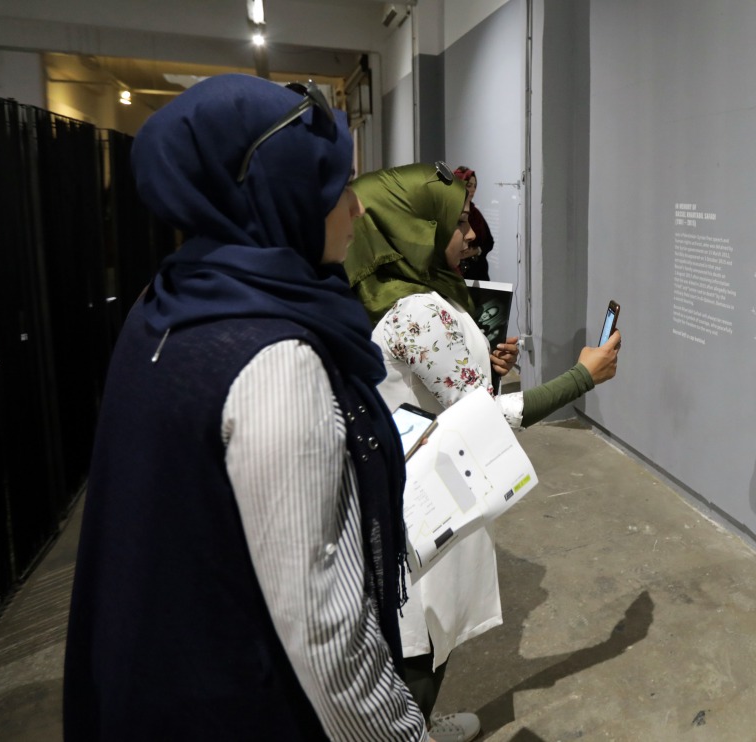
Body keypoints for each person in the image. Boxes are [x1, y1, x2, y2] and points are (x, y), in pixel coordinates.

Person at [63, 74, 429, 741]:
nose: (357, 209)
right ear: (278, 194)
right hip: (248, 704)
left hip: (158, 684)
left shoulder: (169, 299)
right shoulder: (276, 358)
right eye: (335, 187)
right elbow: (324, 631)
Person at [343, 162, 621, 742]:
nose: (471, 235)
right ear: (414, 227)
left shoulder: (391, 293)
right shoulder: (420, 310)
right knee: (418, 647)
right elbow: (484, 420)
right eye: (457, 222)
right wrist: (581, 378)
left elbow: (432, 391)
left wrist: (484, 367)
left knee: (412, 645)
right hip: (425, 499)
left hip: (398, 486)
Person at [451, 166, 493, 280]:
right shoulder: (447, 212)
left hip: (478, 274)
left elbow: (489, 242)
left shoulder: (475, 213)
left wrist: (476, 250)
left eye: (475, 186)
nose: (473, 190)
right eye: (469, 185)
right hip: (455, 275)